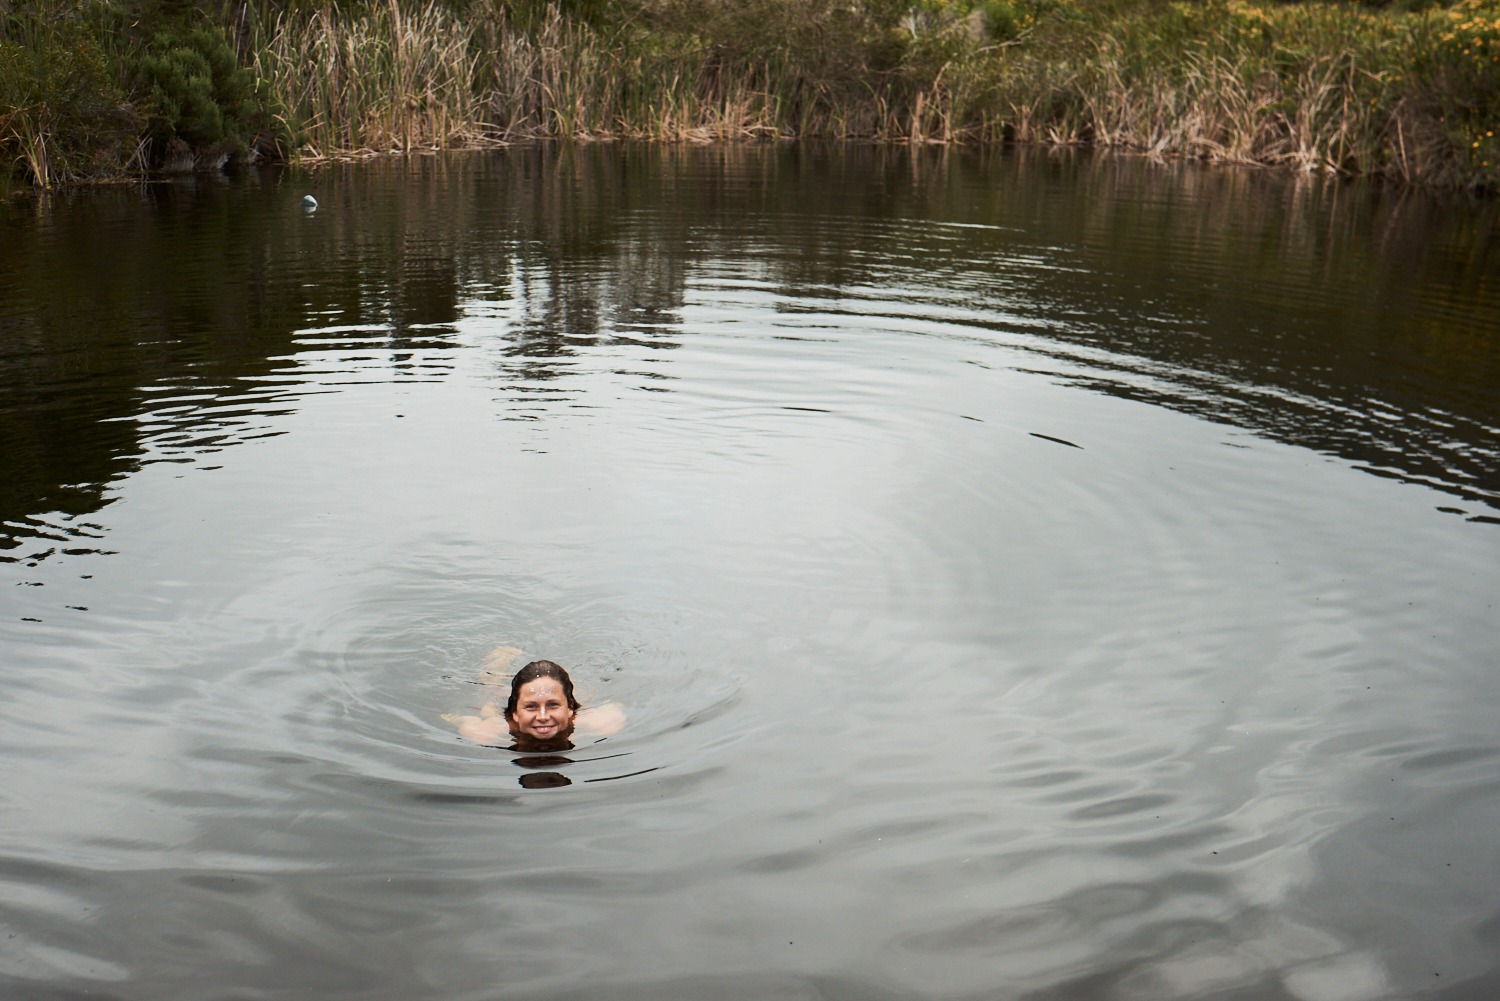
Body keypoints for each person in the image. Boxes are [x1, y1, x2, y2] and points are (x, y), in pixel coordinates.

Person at [444, 648, 625, 750]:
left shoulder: (600, 723)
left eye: (553, 705)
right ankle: (496, 666)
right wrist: (456, 719)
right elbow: (460, 719)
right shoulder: (489, 731)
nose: (543, 716)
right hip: (500, 701)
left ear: (570, 708)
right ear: (515, 713)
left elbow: (614, 708)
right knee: (488, 704)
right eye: (531, 707)